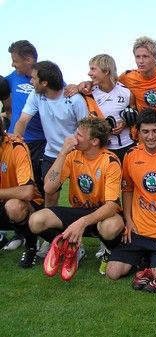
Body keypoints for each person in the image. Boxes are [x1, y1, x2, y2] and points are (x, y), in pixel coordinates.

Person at [28, 118, 124, 279]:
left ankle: (108, 250)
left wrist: (82, 222)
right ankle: (72, 247)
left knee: (111, 227)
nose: (73, 138)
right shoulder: (72, 155)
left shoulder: (110, 161)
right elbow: (49, 188)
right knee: (36, 221)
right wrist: (63, 153)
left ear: (94, 141)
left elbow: (112, 206)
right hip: (78, 210)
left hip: (101, 214)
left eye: (79, 135)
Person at [106, 109, 156, 293]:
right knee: (112, 273)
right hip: (138, 230)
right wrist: (129, 221)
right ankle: (145, 262)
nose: (151, 136)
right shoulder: (131, 155)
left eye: (155, 131)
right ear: (137, 132)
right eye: (145, 131)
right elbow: (127, 190)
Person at [14, 61, 88, 208]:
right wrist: (17, 141)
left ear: (45, 83)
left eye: (34, 78)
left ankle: (86, 223)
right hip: (52, 153)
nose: (31, 81)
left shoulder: (75, 100)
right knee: (49, 191)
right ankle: (48, 226)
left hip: (77, 153)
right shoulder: (36, 95)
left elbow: (85, 130)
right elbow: (23, 120)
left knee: (84, 190)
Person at [3, 40, 46, 250]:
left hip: (40, 142)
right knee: (17, 189)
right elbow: (9, 106)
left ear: (28, 60)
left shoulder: (44, 77)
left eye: (15, 60)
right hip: (16, 142)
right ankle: (21, 234)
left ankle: (41, 234)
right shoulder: (10, 80)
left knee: (38, 189)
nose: (13, 65)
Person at [0, 117, 43, 267]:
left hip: (27, 205)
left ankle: (31, 245)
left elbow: (27, 192)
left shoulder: (16, 147)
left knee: (14, 207)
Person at [85, 54, 136, 162]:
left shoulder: (126, 92)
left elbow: (135, 113)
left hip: (129, 146)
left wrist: (124, 123)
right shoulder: (89, 94)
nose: (89, 73)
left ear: (106, 71)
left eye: (93, 69)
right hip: (104, 150)